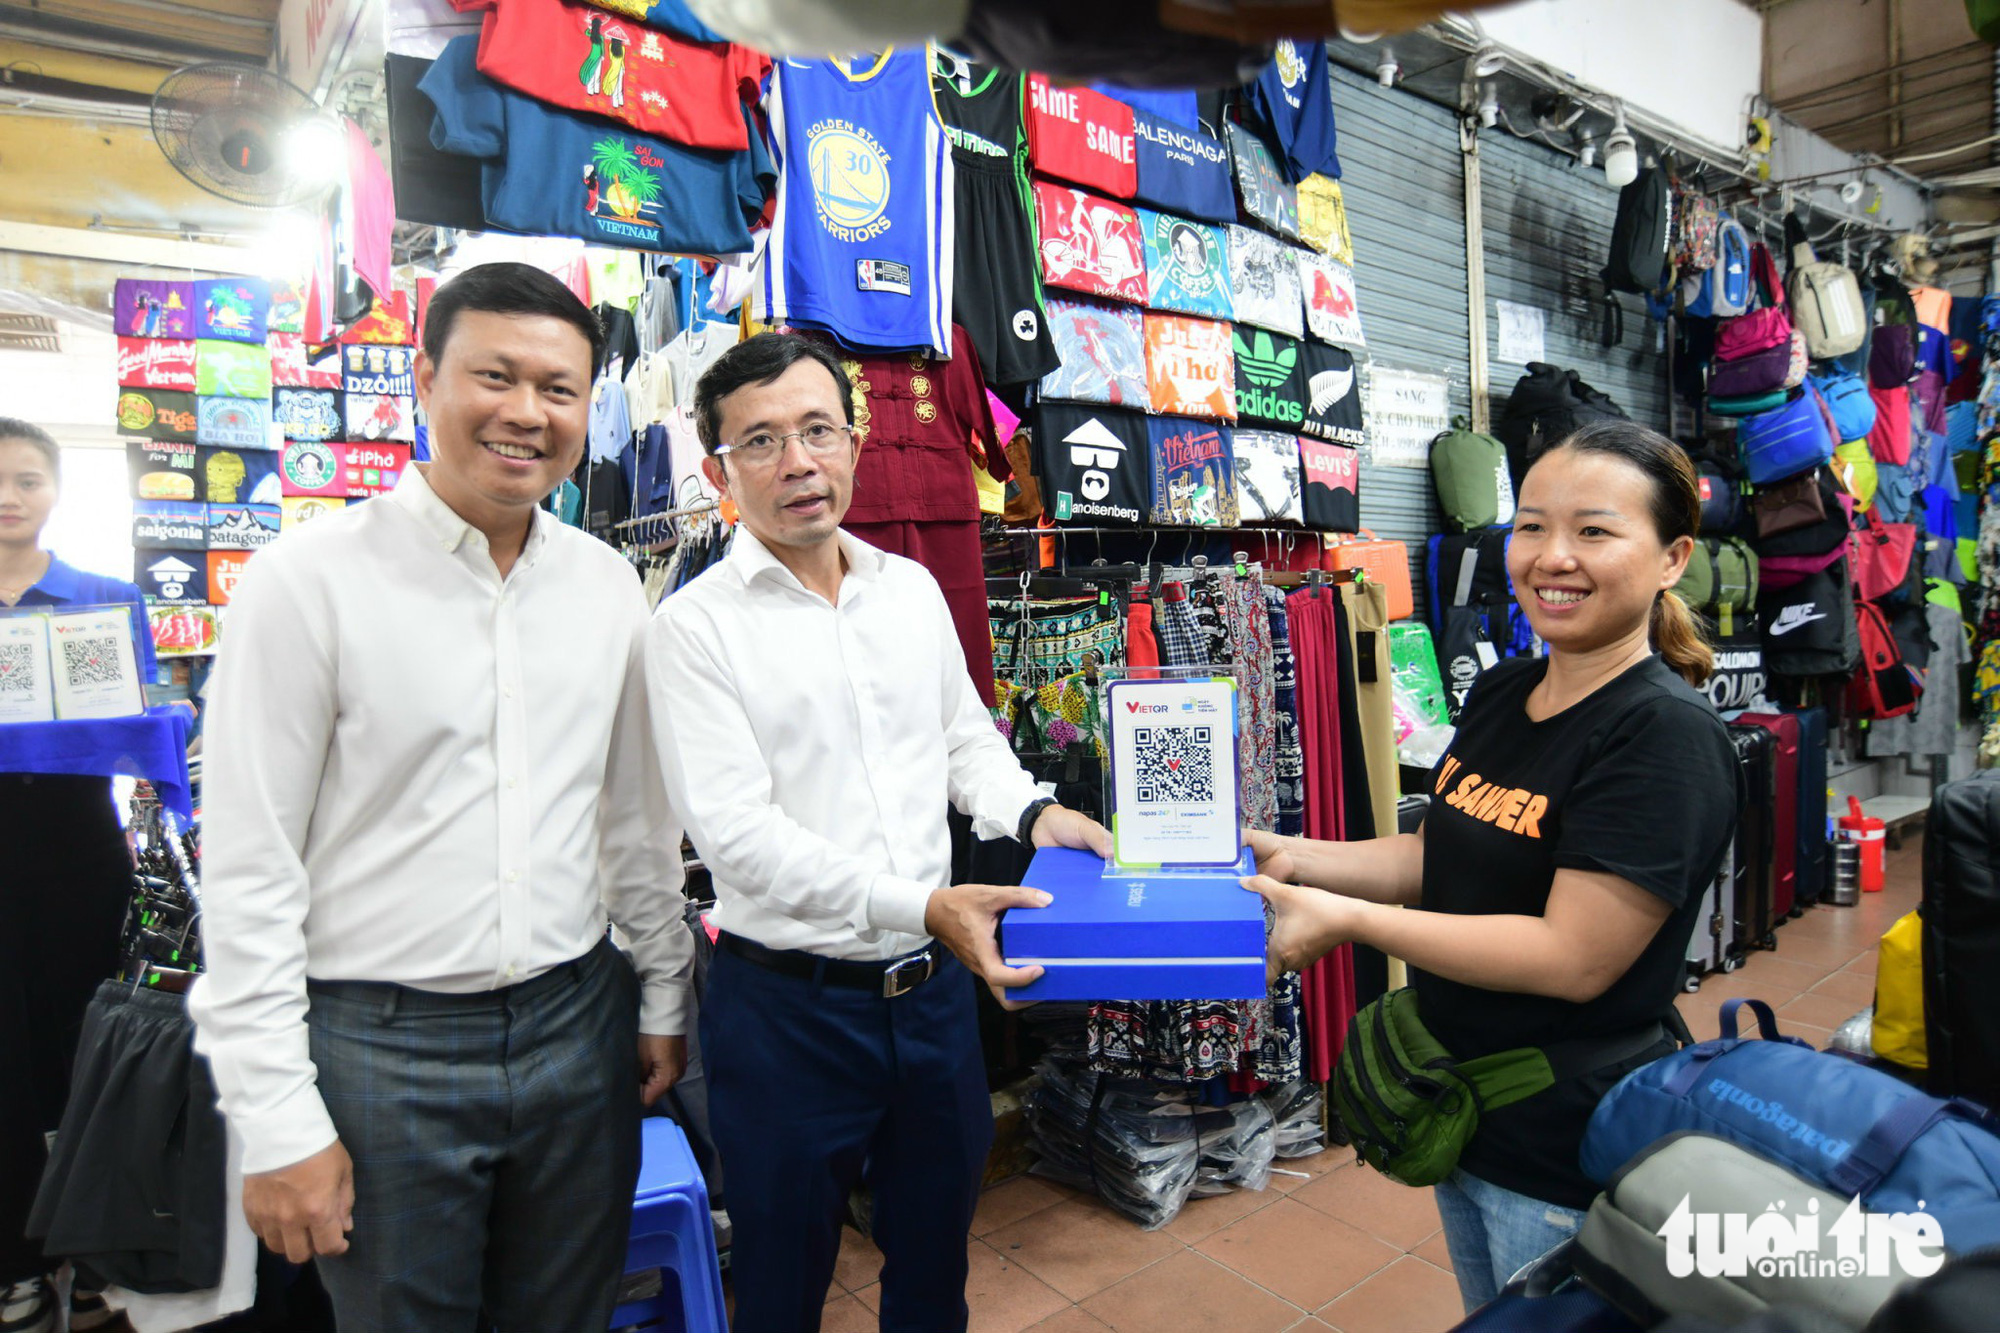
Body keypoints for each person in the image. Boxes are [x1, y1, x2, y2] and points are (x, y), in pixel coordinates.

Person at [191, 263, 694, 1333]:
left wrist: (658, 993)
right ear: (424, 376)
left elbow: (633, 822)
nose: (526, 413)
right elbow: (247, 868)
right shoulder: (307, 582)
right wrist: (276, 1114)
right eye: (493, 377)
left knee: (567, 1313)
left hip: (574, 1023)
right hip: (380, 1045)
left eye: (558, 388)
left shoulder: (606, 585)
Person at [646, 332, 1112, 1333]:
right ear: (717, 469)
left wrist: (1035, 811)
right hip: (786, 1016)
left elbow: (964, 742)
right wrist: (926, 905)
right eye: (760, 442)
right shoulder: (691, 630)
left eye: (817, 429)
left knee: (934, 1273)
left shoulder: (905, 589)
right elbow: (737, 838)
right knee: (780, 1283)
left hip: (932, 1004)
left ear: (853, 442)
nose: (798, 462)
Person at [1242, 420, 1740, 1312]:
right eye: (1532, 526)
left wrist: (1348, 921)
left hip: (1564, 1137)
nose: (1553, 557)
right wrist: (1297, 857)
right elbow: (1437, 854)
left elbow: (1571, 956)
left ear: (1672, 558)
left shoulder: (1663, 736)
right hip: (1462, 1104)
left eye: (1594, 531)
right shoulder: (1507, 689)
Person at [0, 419, 154, 1333]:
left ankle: (102, 1252)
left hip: (82, 851)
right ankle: (15, 1261)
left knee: (98, 1051)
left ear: (56, 490)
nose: (10, 495)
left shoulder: (100, 598)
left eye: (28, 478)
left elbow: (134, 720)